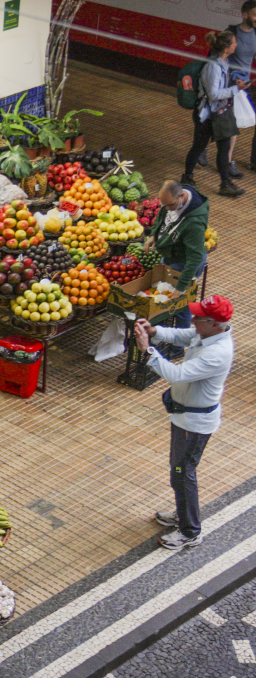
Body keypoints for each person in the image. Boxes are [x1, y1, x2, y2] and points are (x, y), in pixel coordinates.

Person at [134, 296, 235, 551]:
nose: (193, 320)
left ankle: (190, 530)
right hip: (185, 417)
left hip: (194, 424)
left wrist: (148, 349)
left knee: (182, 474)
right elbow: (184, 336)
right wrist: (156, 331)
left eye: (198, 318)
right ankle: (183, 513)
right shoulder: (207, 334)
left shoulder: (217, 353)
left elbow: (176, 375)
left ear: (214, 324)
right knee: (178, 470)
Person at [183, 30, 247, 197]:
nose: (236, 45)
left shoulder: (223, 63)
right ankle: (187, 178)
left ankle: (225, 183)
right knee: (198, 146)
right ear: (226, 47)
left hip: (219, 113)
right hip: (207, 116)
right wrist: (235, 89)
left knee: (224, 149)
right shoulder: (213, 66)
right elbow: (213, 94)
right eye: (233, 43)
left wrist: (234, 83)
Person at [143, 180, 208, 331]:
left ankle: (178, 346)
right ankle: (160, 334)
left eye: (171, 205)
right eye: (165, 204)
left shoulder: (194, 223)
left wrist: (182, 285)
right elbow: (162, 215)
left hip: (184, 262)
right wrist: (154, 235)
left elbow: (195, 258)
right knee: (163, 293)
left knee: (181, 305)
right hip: (171, 254)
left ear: (182, 196)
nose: (168, 208)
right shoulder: (172, 199)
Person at [228, 1, 256, 172]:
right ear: (245, 15)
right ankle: (226, 162)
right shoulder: (231, 32)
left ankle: (226, 160)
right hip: (229, 84)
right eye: (254, 14)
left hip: (245, 86)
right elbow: (220, 59)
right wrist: (233, 79)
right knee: (228, 124)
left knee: (233, 124)